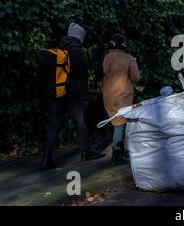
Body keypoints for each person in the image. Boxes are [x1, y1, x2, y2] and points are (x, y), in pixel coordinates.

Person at [41, 23, 104, 169]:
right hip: (74, 94)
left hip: (59, 92)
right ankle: (85, 151)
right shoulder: (78, 51)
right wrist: (84, 92)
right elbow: (82, 76)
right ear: (79, 37)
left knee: (54, 124)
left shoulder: (60, 49)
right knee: (80, 122)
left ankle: (46, 157)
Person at [101, 34, 140, 164]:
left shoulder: (106, 58)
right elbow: (135, 78)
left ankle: (120, 151)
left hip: (107, 95)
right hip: (122, 96)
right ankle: (117, 154)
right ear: (123, 44)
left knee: (117, 123)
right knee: (120, 125)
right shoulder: (129, 59)